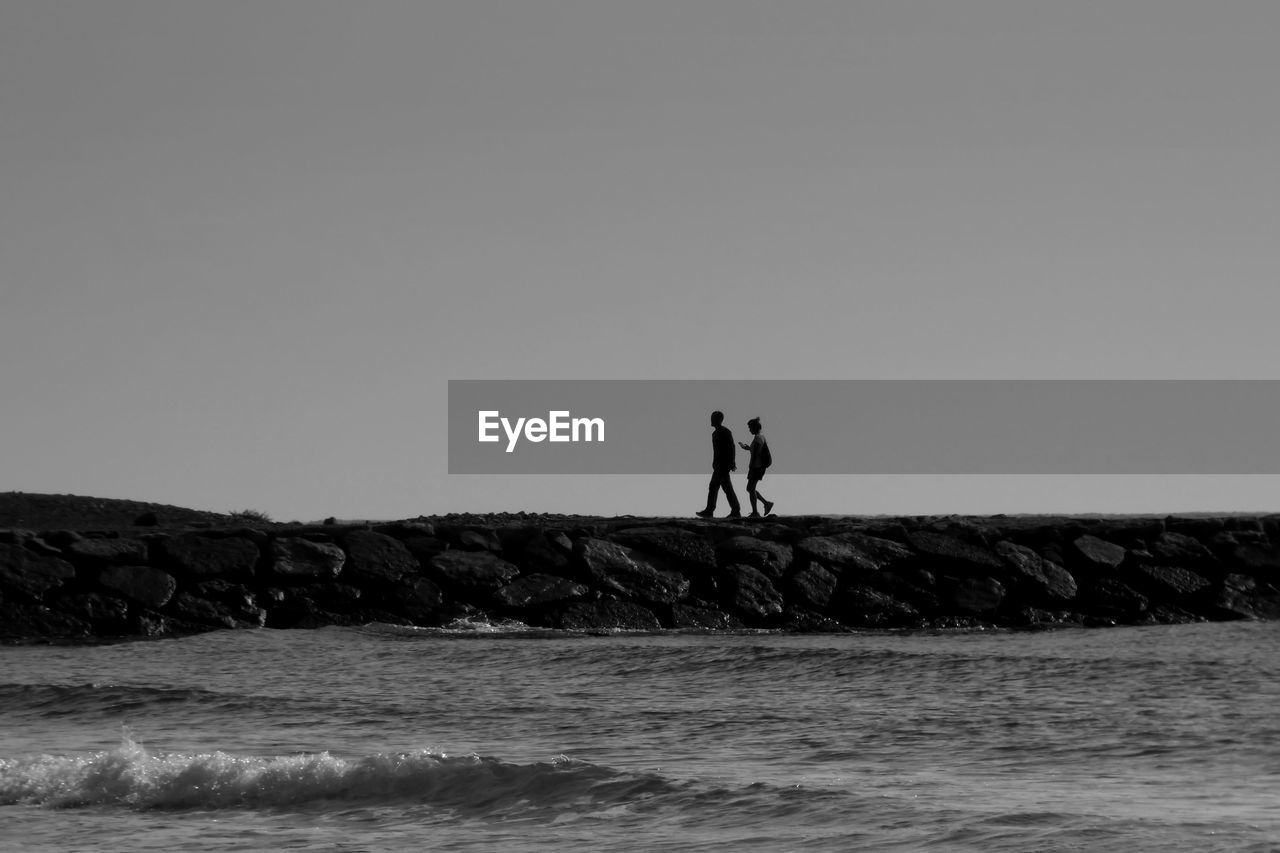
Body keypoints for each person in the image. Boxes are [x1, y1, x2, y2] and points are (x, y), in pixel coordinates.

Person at [696, 411, 741, 518]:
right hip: (718, 465)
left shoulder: (725, 432)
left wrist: (732, 462)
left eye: (713, 418)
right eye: (711, 418)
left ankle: (709, 510)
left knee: (713, 486)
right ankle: (735, 510)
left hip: (723, 465)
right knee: (727, 488)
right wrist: (714, 462)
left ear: (719, 419)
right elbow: (716, 451)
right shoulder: (715, 433)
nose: (711, 420)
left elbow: (731, 447)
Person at [738, 417, 775, 518]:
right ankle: (765, 504)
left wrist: (751, 466)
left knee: (750, 488)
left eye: (750, 428)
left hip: (757, 467)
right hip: (757, 467)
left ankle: (756, 512)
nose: (749, 430)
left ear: (754, 427)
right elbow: (755, 450)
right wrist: (747, 448)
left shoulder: (758, 438)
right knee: (750, 488)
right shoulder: (759, 437)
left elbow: (756, 453)